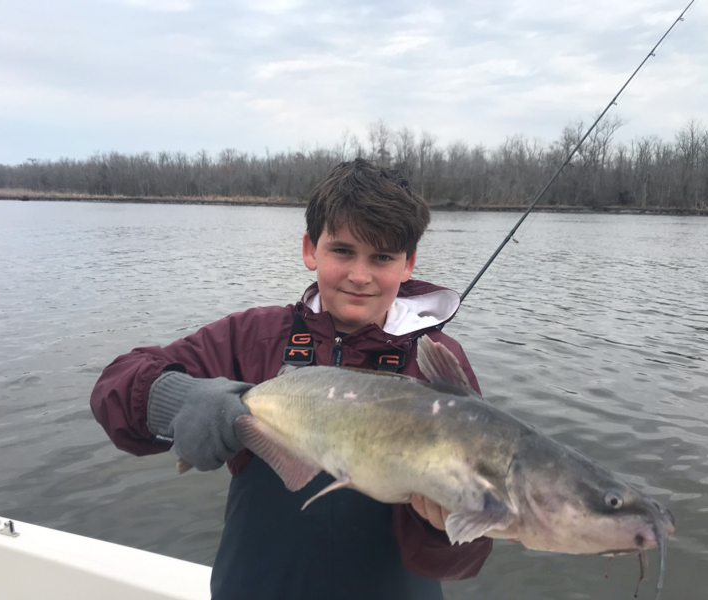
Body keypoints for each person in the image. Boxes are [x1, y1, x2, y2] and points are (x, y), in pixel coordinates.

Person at [90, 158, 492, 600]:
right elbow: (115, 388)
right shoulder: (253, 338)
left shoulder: (438, 363)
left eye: (382, 257)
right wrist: (178, 398)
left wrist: (443, 526)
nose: (360, 275)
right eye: (342, 251)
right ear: (310, 249)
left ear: (408, 263)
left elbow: (466, 559)